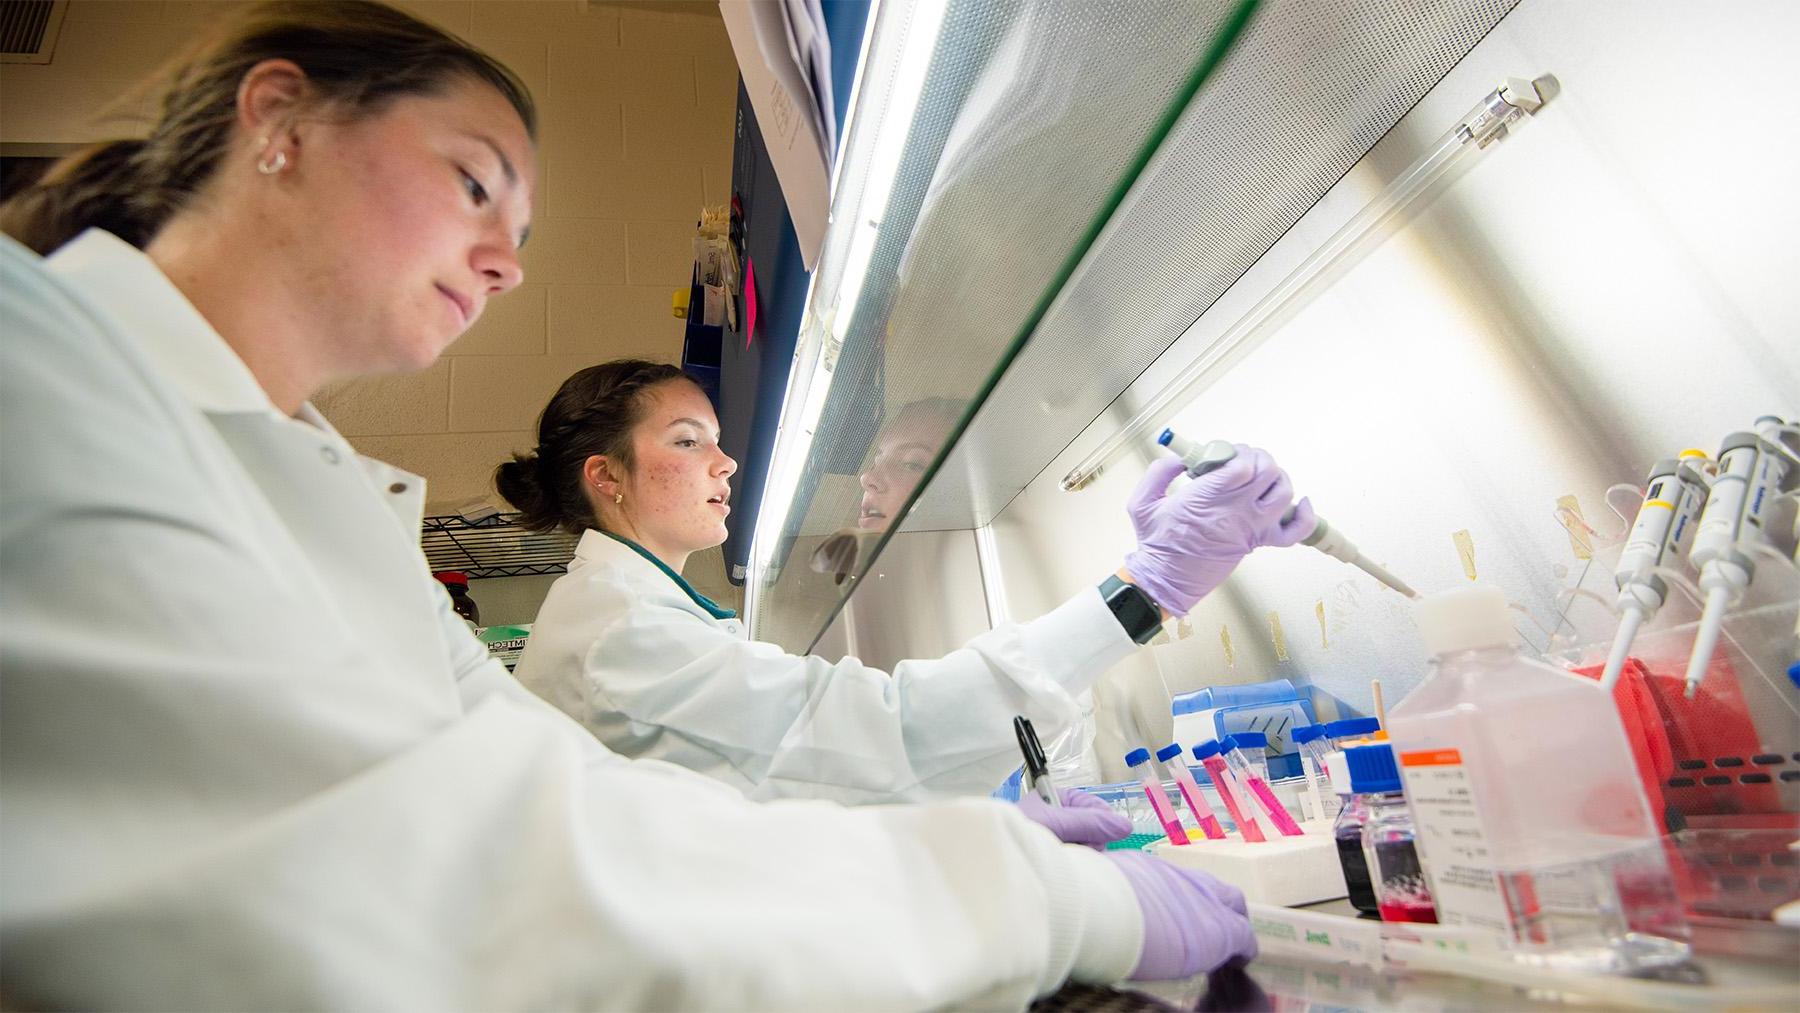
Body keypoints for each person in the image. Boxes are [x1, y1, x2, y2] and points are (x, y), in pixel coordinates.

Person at [0, 3, 1259, 1007]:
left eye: (526, 224)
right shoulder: (38, 369)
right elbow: (406, 869)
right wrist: (1026, 889)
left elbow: (548, 796)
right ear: (278, 117)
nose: (508, 259)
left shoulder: (312, 483)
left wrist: (977, 848)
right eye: (476, 182)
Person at [502, 360, 1316, 804]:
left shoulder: (635, 615)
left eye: (717, 440)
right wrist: (1146, 589)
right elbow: (888, 734)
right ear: (607, 477)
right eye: (687, 443)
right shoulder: (626, 636)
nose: (725, 462)